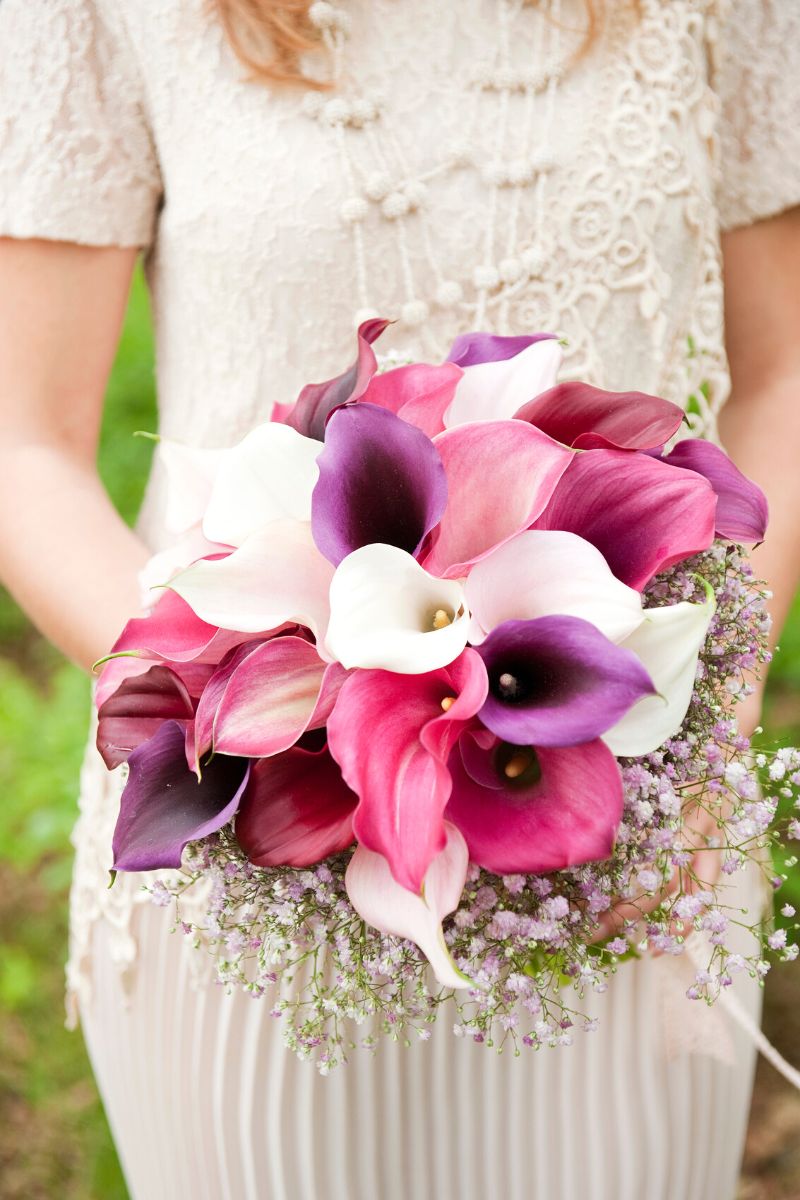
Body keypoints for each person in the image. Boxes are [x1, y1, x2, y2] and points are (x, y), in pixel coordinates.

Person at [1, 1, 799, 1196]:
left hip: (630, 831)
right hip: (260, 844)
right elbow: (25, 441)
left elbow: (784, 372)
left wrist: (704, 713)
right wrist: (259, 727)